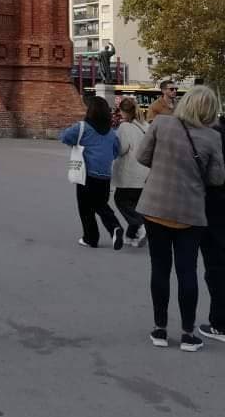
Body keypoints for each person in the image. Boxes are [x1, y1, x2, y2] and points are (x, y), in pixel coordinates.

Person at [136, 85, 225, 350]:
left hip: (156, 207)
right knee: (187, 272)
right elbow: (217, 178)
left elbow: (142, 156)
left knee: (160, 270)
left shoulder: (161, 124)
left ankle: (159, 330)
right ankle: (188, 334)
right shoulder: (211, 137)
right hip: (190, 213)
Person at [60, 96, 123, 250]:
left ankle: (90, 238)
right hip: (105, 176)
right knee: (101, 204)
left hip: (86, 174)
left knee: (85, 208)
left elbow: (65, 137)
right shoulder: (111, 132)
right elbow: (116, 151)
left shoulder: (83, 127)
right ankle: (114, 227)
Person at [200, 114, 225, 342]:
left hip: (216, 207)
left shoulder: (215, 135)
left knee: (217, 266)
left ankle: (220, 323)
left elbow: (213, 176)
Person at [113, 98, 149, 246]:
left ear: (123, 111)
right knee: (135, 204)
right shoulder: (146, 125)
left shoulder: (124, 127)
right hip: (145, 171)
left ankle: (140, 225)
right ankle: (131, 236)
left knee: (120, 200)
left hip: (129, 172)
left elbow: (122, 149)